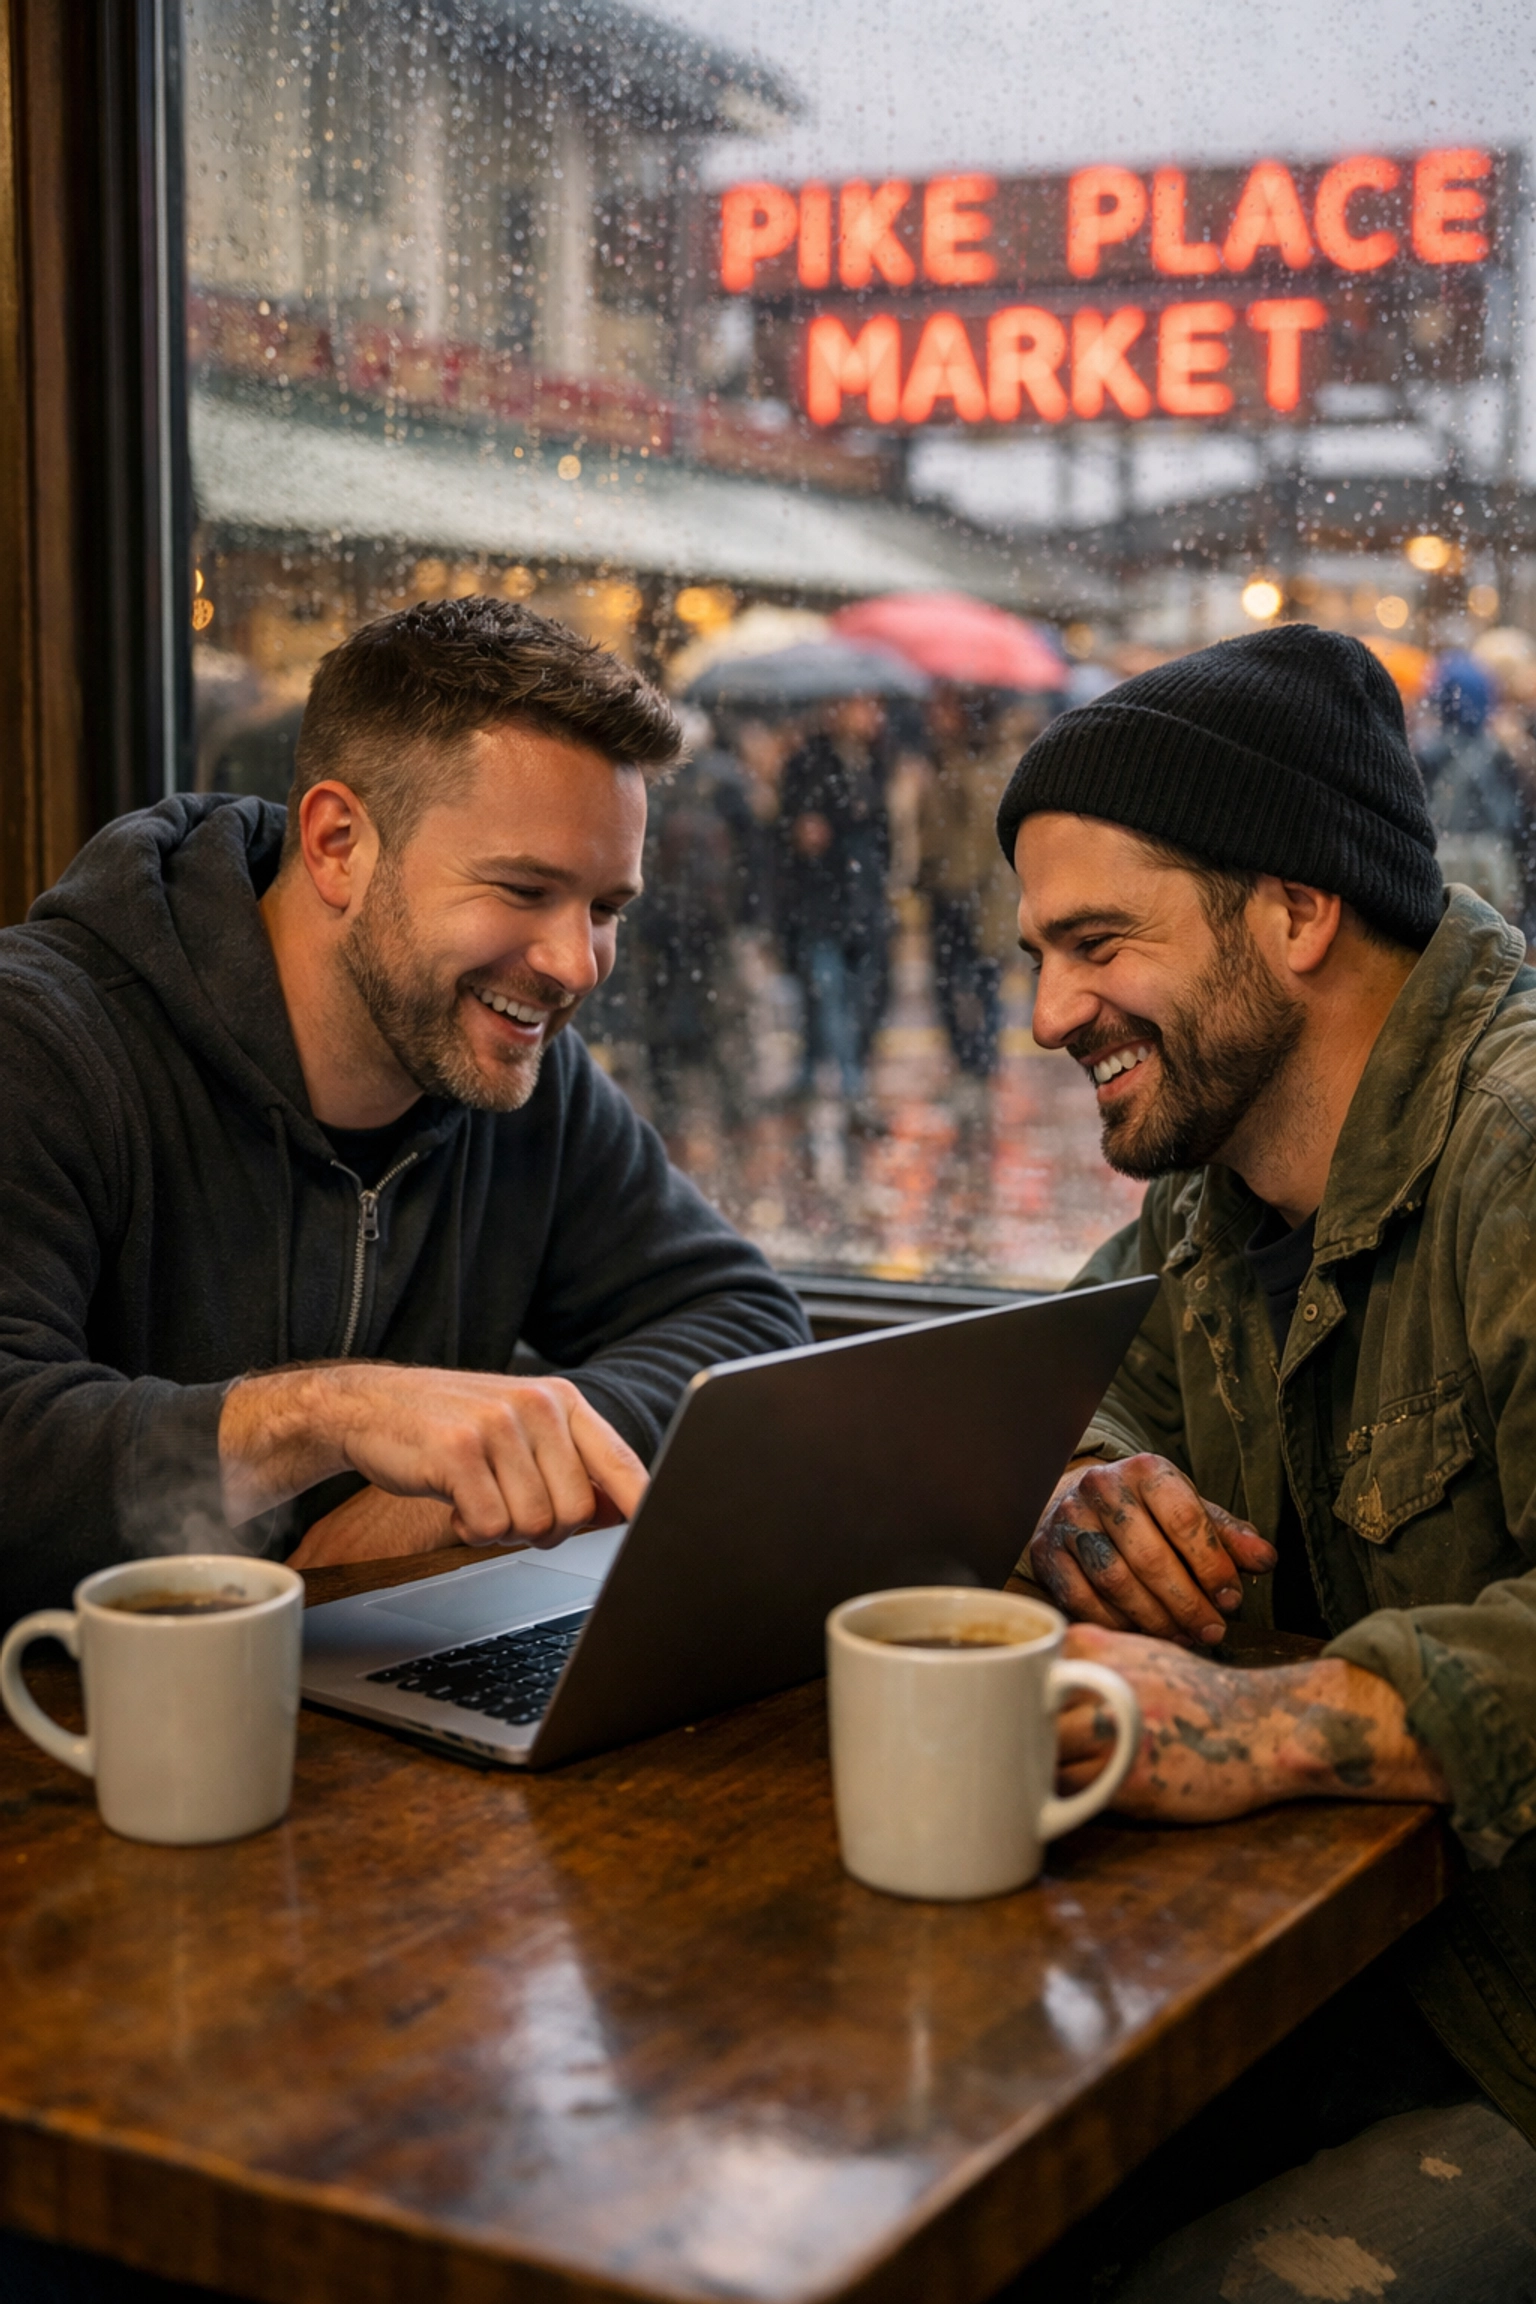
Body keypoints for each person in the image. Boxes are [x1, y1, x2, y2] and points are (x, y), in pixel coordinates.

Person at [992, 625, 1536, 2298]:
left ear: (1296, 910)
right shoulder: (1217, 1190)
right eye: (1035, 951)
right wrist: (1074, 1484)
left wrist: (1246, 1721)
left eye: (1095, 943)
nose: (1043, 1015)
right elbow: (1043, 1397)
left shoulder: (1517, 1145)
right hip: (1365, 1968)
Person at [0, 597, 810, 1625]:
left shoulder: (519, 1071)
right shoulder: (43, 1038)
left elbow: (748, 1329)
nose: (575, 964)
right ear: (339, 842)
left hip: (367, 1697)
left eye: (606, 908)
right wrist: (327, 1417)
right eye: (523, 888)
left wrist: (453, 1491)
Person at [776, 693, 891, 1111]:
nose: (870, 716)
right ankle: (849, 1084)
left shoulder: (876, 761)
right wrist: (802, 829)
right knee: (827, 995)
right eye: (861, 706)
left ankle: (816, 1072)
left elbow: (881, 834)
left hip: (863, 902)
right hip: (821, 902)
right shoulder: (808, 763)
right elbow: (791, 831)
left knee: (854, 997)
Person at [1414, 649, 1526, 927]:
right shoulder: (1498, 749)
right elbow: (1510, 815)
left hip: (1443, 854)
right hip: (1490, 856)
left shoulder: (1429, 749)